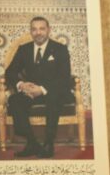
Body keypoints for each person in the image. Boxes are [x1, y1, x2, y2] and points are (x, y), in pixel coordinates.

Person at [5, 16, 72, 158]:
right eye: (34, 29)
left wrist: (41, 90)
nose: (38, 32)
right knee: (15, 100)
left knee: (54, 98)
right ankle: (32, 142)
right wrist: (22, 84)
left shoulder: (60, 49)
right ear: (31, 31)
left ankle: (48, 143)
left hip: (53, 91)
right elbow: (10, 72)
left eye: (42, 29)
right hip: (31, 91)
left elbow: (64, 77)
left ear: (48, 30)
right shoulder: (24, 49)